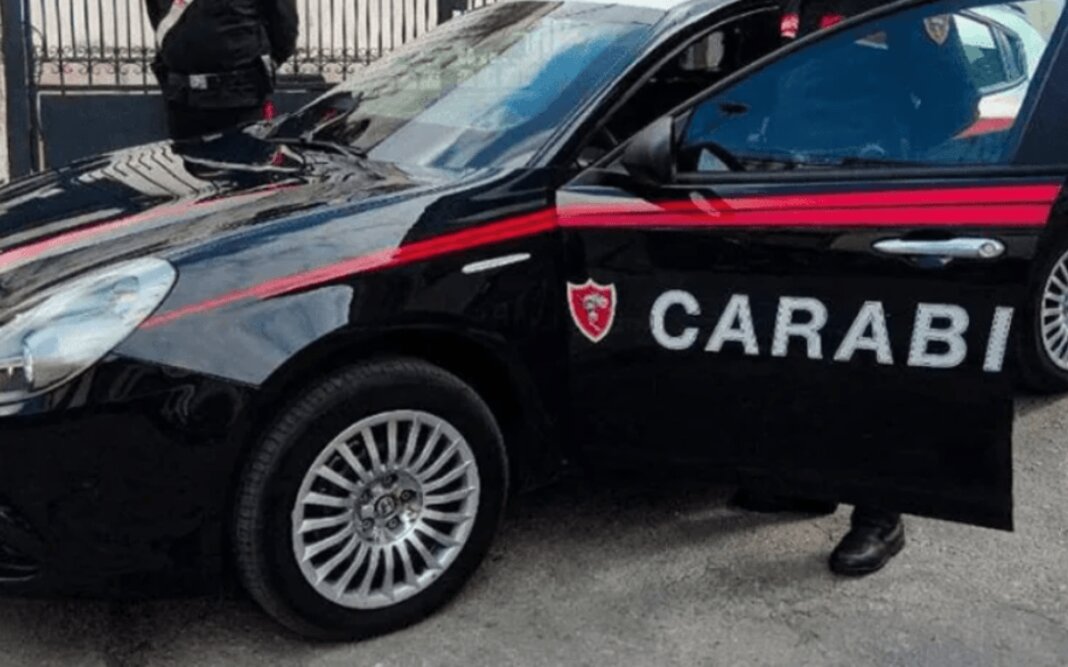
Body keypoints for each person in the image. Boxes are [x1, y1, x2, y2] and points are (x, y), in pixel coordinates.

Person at [734, 0, 980, 577]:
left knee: (869, 357)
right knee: (796, 346)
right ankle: (809, 483)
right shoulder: (785, 6)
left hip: (865, 198)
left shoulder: (900, 8)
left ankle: (880, 514)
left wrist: (887, 152)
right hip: (788, 194)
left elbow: (955, 103)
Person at [145, 0, 300, 140]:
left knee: (246, 159)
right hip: (183, 99)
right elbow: (160, 18)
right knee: (184, 161)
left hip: (241, 99)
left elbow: (285, 28)